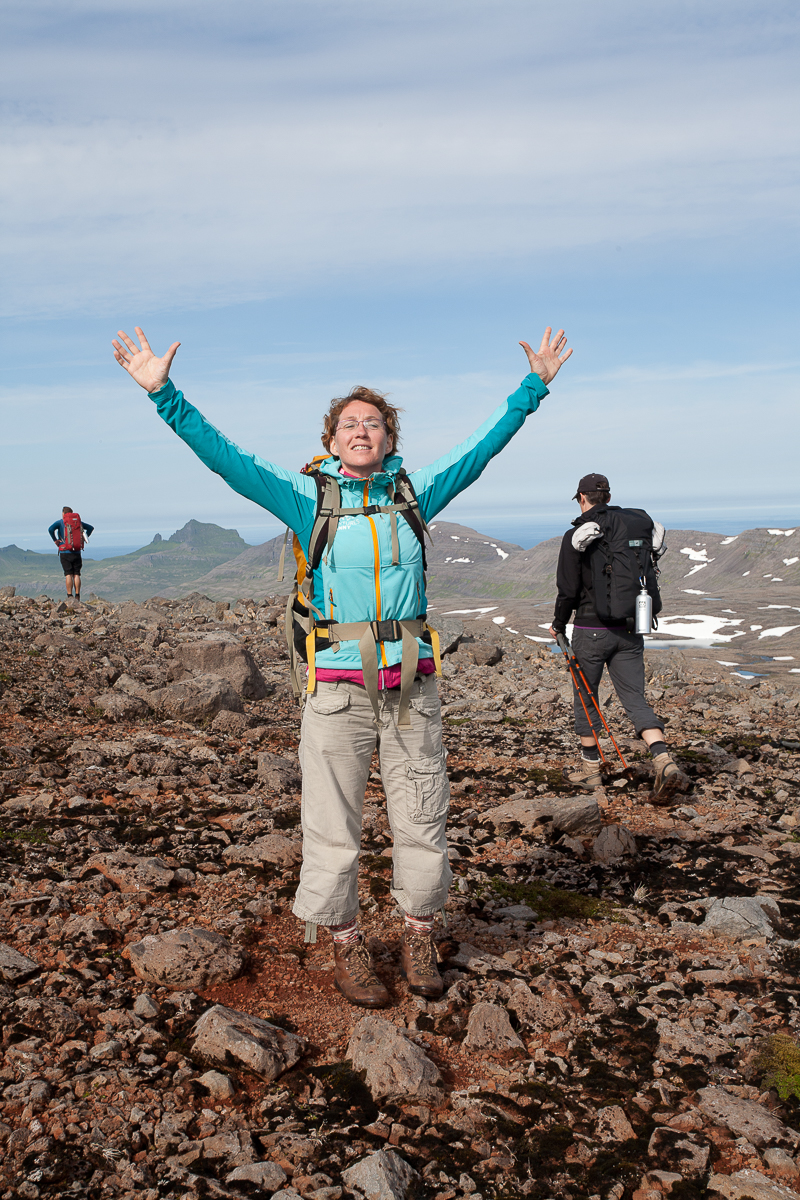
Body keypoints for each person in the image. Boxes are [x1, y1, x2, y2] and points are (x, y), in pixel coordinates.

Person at [113, 324, 573, 1008]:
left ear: (390, 439)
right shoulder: (309, 501)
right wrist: (164, 395)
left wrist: (531, 390)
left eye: (376, 423)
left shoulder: (416, 495)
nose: (364, 431)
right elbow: (225, 459)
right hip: (336, 686)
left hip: (413, 683)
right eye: (351, 424)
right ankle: (348, 943)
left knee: (423, 812)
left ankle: (419, 933)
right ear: (331, 440)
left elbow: (481, 452)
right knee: (334, 821)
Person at [549, 473, 680, 800]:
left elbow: (567, 589)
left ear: (582, 497)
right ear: (607, 496)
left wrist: (558, 623)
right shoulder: (632, 527)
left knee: (586, 694)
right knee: (635, 696)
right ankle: (663, 760)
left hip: (591, 630)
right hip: (630, 626)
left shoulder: (576, 535)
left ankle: (591, 771)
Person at [48, 507, 94, 601]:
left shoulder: (61, 522)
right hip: (76, 551)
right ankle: (77, 595)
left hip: (65, 552)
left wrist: (55, 540)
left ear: (63, 513)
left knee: (68, 574)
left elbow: (50, 529)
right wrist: (83, 539)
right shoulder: (78, 522)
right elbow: (90, 528)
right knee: (76, 574)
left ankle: (69, 596)